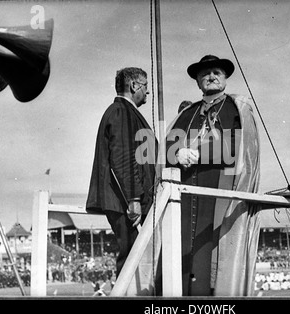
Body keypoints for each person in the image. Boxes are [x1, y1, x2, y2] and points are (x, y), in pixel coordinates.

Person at [165, 54, 261, 296]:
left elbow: (237, 145)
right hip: (186, 198)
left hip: (222, 194)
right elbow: (165, 147)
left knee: (215, 261)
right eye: (204, 74)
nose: (210, 77)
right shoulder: (187, 113)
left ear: (225, 78)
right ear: (197, 82)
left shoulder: (236, 107)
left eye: (216, 72)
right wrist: (177, 154)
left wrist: (197, 154)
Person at [86, 67, 158, 278]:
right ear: (134, 86)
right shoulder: (121, 112)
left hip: (127, 200)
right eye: (146, 87)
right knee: (131, 261)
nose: (148, 92)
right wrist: (134, 199)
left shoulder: (125, 112)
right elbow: (122, 158)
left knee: (135, 260)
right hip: (126, 202)